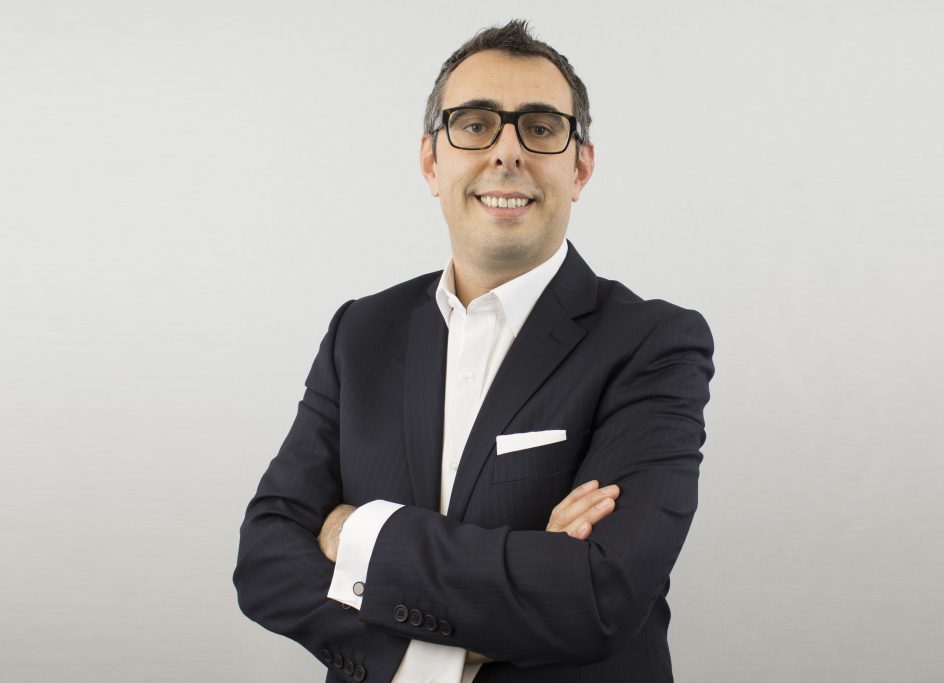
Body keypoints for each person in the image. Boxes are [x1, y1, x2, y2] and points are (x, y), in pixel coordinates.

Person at [234, 19, 714, 683]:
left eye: (540, 127)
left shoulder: (654, 343)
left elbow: (597, 596)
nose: (507, 152)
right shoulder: (360, 331)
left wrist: (355, 533)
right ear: (432, 162)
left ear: (580, 167)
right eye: (475, 124)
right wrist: (443, 641)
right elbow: (265, 559)